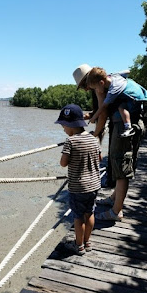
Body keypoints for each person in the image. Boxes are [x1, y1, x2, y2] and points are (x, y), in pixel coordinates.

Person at [73, 64, 147, 221]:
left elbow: (102, 114)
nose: (85, 89)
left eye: (84, 85)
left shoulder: (99, 89)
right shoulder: (106, 81)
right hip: (131, 122)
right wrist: (85, 116)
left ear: (89, 80)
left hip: (124, 126)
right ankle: (115, 198)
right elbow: (99, 112)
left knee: (120, 164)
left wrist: (95, 134)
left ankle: (116, 211)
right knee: (120, 162)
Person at [55, 103, 101, 255]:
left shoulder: (71, 141)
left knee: (78, 217)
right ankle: (88, 242)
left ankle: (79, 246)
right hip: (94, 185)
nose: (63, 129)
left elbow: (63, 163)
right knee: (90, 213)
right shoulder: (94, 139)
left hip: (78, 187)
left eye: (63, 126)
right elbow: (99, 158)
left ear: (71, 125)